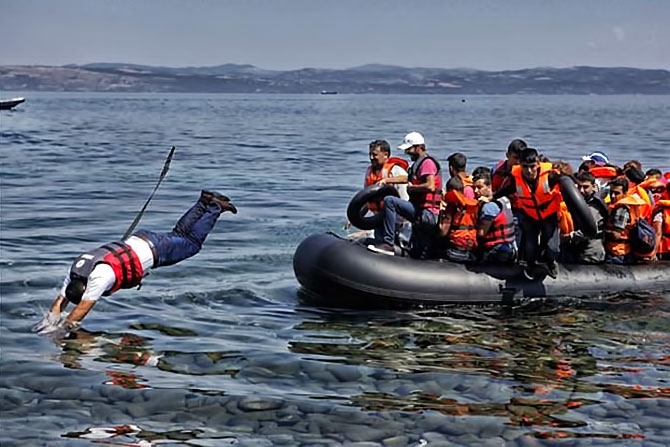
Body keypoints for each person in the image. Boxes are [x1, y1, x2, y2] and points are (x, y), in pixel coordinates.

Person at [33, 190, 237, 333]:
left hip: (156, 250)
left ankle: (214, 207)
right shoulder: (75, 271)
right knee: (180, 234)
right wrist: (48, 322)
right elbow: (60, 301)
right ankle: (204, 201)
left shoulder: (98, 278)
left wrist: (61, 332)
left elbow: (81, 310)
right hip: (142, 239)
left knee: (192, 243)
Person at [367, 132, 442, 258]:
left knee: (390, 201)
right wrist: (387, 180)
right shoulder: (417, 165)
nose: (407, 153)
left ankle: (388, 243)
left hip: (427, 212)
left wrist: (412, 188)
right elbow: (407, 178)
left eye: (409, 149)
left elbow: (430, 186)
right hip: (419, 211)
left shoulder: (427, 163)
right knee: (418, 252)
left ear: (418, 147)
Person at [495, 147, 561, 279]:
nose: (529, 171)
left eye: (532, 166)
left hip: (548, 215)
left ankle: (551, 262)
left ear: (537, 164)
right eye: (525, 167)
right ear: (520, 165)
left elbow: (568, 183)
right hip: (530, 215)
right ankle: (531, 266)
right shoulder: (517, 177)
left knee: (552, 248)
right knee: (530, 248)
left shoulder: (550, 175)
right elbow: (508, 190)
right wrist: (492, 198)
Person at [561, 171, 608, 264]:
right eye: (578, 187)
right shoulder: (579, 203)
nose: (581, 190)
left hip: (591, 251)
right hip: (577, 249)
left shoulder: (594, 207)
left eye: (585, 187)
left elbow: (588, 230)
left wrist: (567, 237)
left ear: (593, 187)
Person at [604, 177, 651, 264]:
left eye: (617, 193)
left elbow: (616, 235)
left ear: (625, 193)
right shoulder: (629, 206)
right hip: (624, 251)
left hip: (617, 252)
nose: (613, 196)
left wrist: (599, 231)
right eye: (611, 192)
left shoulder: (621, 209)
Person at [472, 172, 517, 264]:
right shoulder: (504, 199)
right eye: (474, 188)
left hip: (498, 251)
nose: (476, 191)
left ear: (489, 186)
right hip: (511, 247)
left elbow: (481, 233)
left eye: (480, 187)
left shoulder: (489, 207)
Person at [437, 177, 479, 263]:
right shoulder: (473, 204)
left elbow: (443, 232)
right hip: (470, 248)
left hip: (454, 250)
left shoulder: (452, 206)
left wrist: (440, 218)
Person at [652, 180, 670, 261]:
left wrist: (653, 252)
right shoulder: (661, 211)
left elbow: (657, 233)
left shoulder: (660, 211)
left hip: (665, 249)